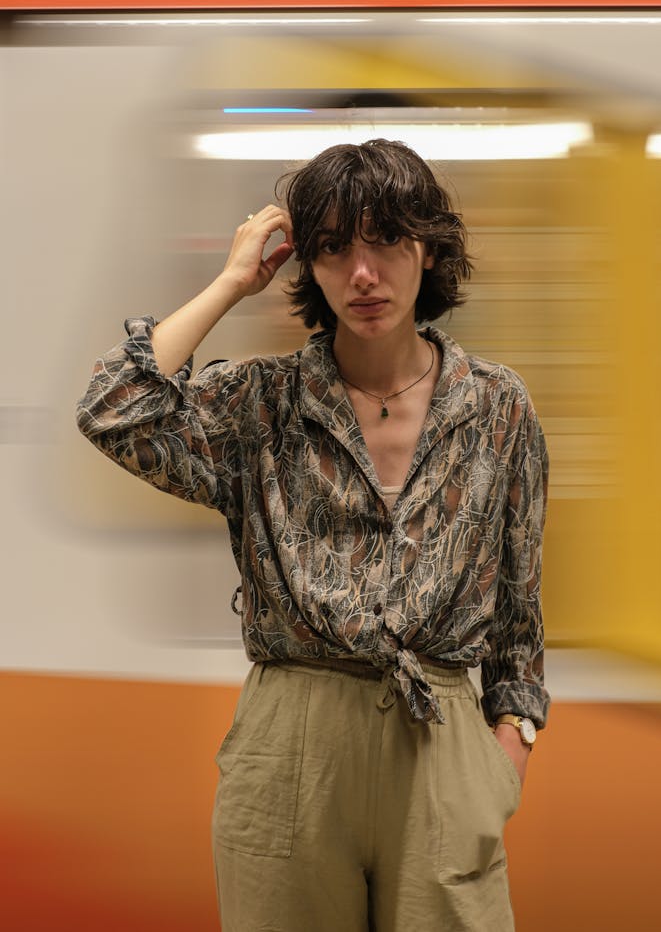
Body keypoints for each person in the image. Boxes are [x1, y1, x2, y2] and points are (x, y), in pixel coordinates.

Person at [76, 137, 550, 932]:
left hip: (442, 748)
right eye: (333, 249)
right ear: (308, 267)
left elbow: (520, 616)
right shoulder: (260, 403)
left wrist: (503, 756)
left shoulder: (499, 409)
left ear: (427, 249)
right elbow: (114, 408)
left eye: (386, 241)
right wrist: (232, 283)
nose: (362, 273)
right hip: (290, 748)